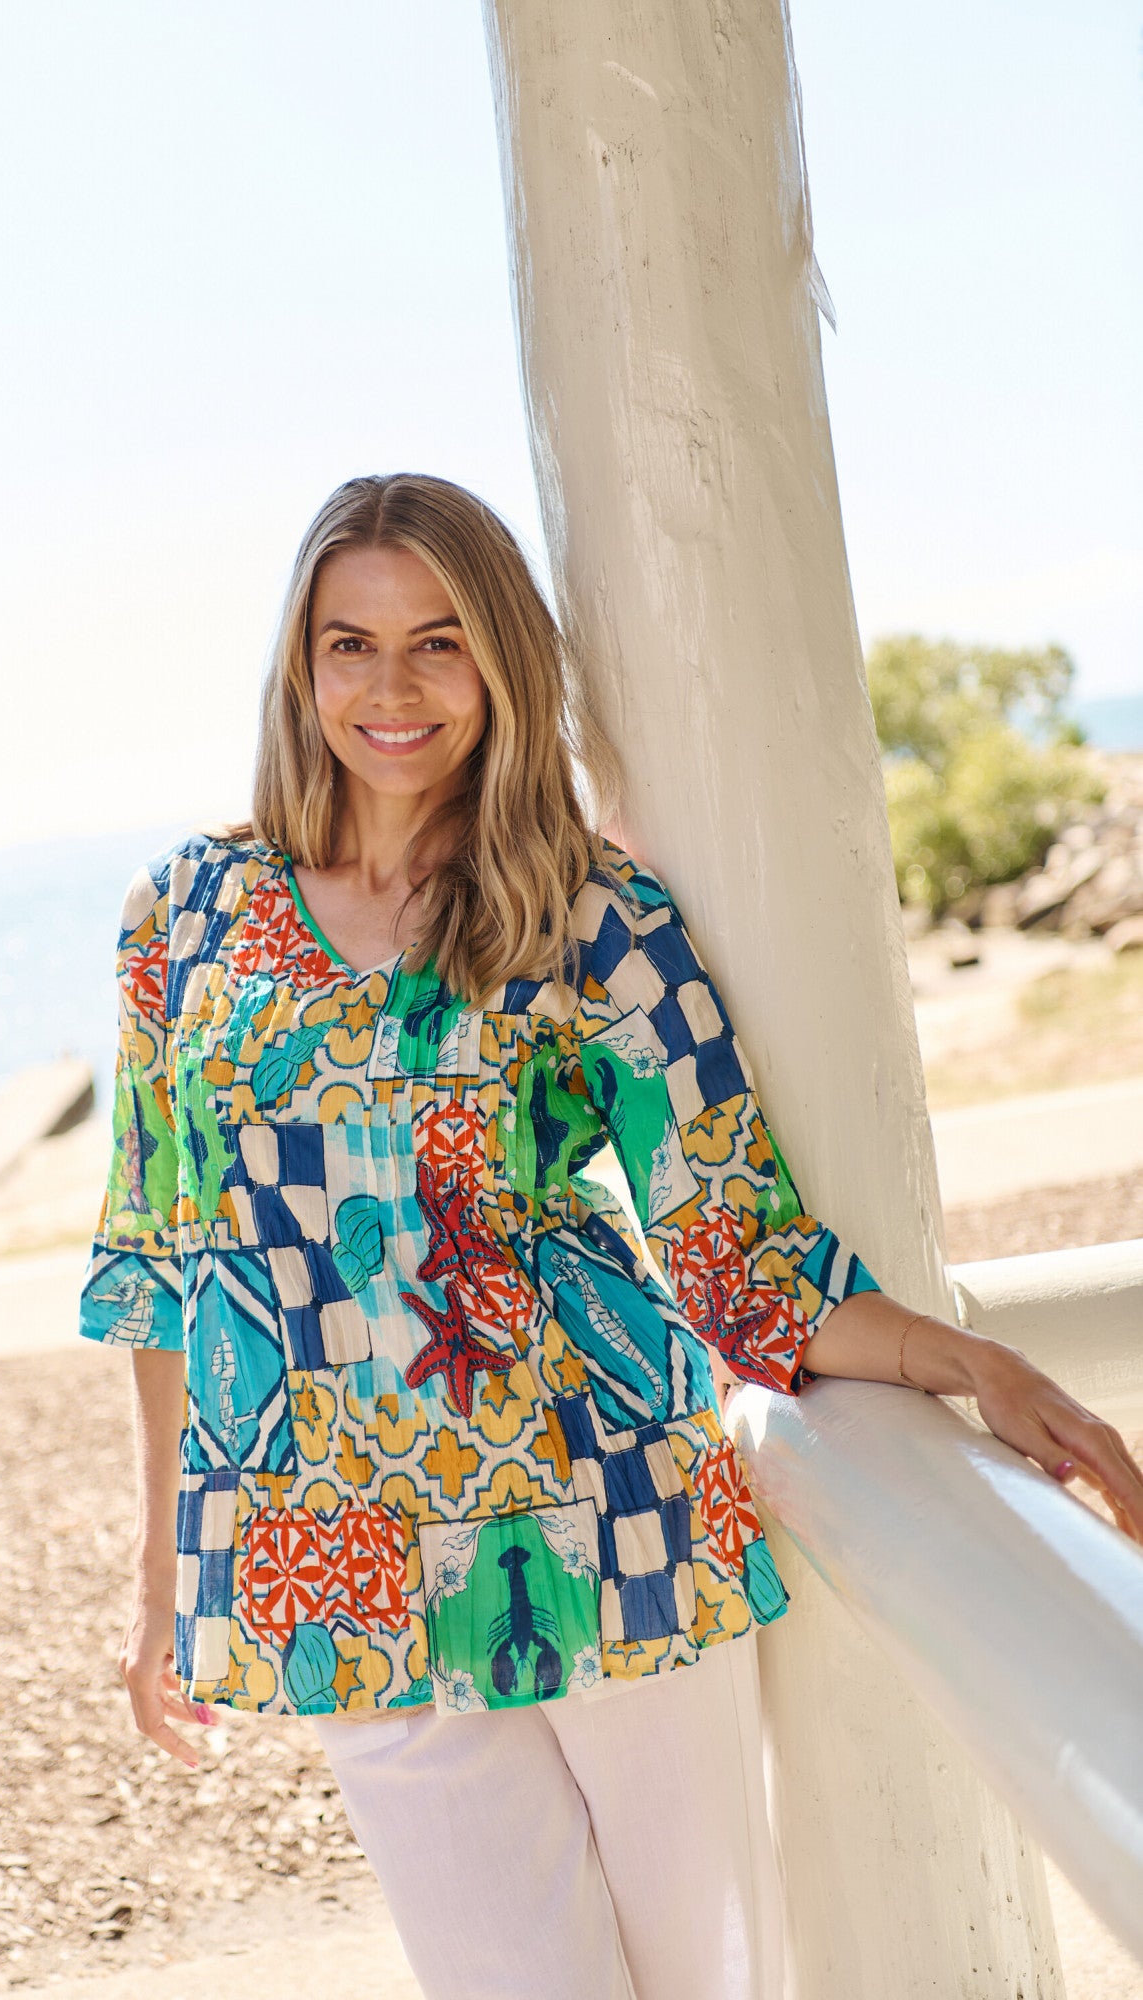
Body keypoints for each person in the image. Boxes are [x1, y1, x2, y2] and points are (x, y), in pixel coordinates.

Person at [78, 472, 1143, 2000]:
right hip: (338, 1560)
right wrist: (160, 1581)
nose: (390, 689)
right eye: (349, 642)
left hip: (613, 1517)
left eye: (440, 641)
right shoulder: (183, 915)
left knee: (710, 1979)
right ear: (299, 664)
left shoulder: (592, 913)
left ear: (502, 659)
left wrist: (972, 1363)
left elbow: (731, 1248)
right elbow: (162, 1265)